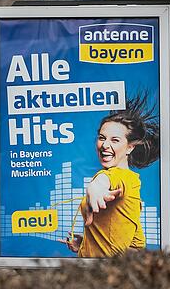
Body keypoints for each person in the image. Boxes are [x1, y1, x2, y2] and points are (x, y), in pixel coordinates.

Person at [61, 94, 160, 257]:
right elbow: (136, 246)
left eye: (115, 140)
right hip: (105, 272)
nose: (105, 145)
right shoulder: (132, 183)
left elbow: (104, 181)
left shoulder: (120, 177)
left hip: (101, 276)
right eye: (102, 138)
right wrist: (86, 245)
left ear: (130, 147)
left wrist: (96, 187)